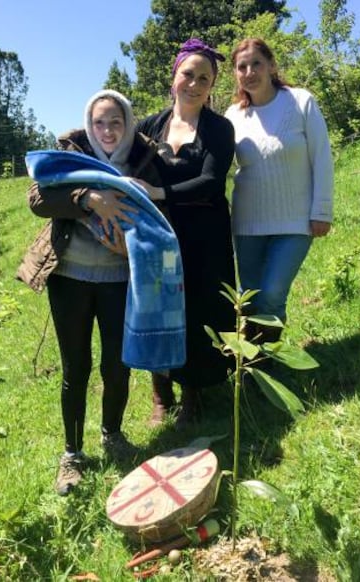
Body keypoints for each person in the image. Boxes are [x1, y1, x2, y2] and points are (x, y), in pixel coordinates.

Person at [17, 89, 161, 495]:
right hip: (70, 277)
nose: (109, 130)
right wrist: (89, 199)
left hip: (119, 276)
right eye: (101, 122)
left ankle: (112, 435)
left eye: (116, 121)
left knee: (118, 364)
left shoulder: (144, 157)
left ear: (128, 122)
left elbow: (160, 206)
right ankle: (72, 454)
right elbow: (38, 198)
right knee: (75, 367)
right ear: (89, 124)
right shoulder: (69, 151)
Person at [135, 38, 236, 428]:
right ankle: (161, 394)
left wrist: (159, 192)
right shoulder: (148, 127)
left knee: (198, 310)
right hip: (159, 236)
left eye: (204, 78)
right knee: (156, 310)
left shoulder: (219, 128)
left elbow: (211, 182)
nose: (194, 84)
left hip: (204, 237)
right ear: (174, 76)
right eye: (188, 75)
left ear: (212, 86)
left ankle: (194, 392)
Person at [225, 38, 333, 345]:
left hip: (295, 221)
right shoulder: (233, 116)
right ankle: (250, 365)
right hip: (247, 223)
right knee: (248, 297)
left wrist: (321, 210)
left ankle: (267, 358)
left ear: (272, 66)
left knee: (272, 294)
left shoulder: (300, 102)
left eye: (256, 63)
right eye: (241, 67)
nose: (249, 72)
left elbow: (322, 158)